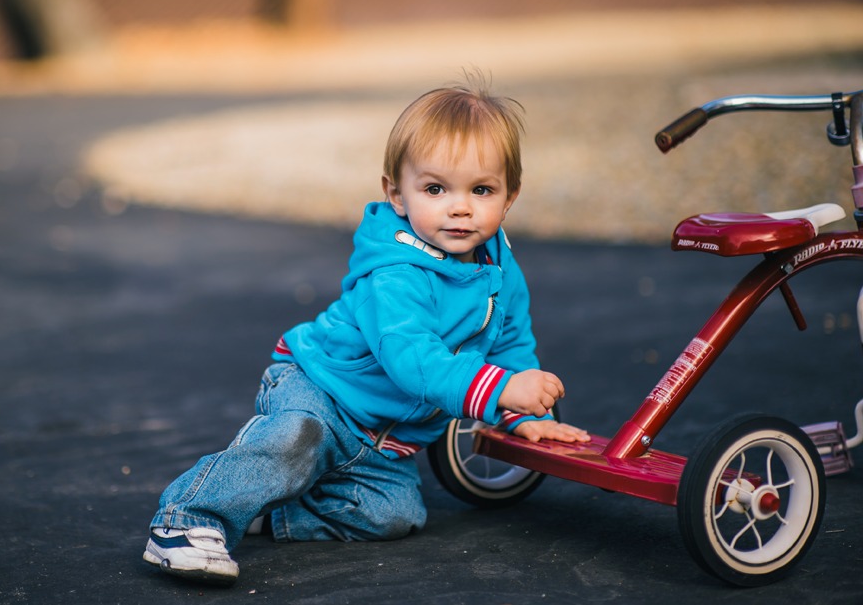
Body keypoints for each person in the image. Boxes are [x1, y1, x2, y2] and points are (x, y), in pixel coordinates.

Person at [142, 75, 590, 585]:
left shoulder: (499, 269)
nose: (460, 207)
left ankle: (273, 511)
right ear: (396, 194)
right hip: (323, 391)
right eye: (435, 188)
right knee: (293, 442)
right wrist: (500, 389)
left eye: (481, 190)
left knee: (395, 515)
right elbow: (411, 360)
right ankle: (188, 520)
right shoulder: (395, 273)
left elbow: (509, 343)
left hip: (381, 438)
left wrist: (515, 414)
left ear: (510, 196)